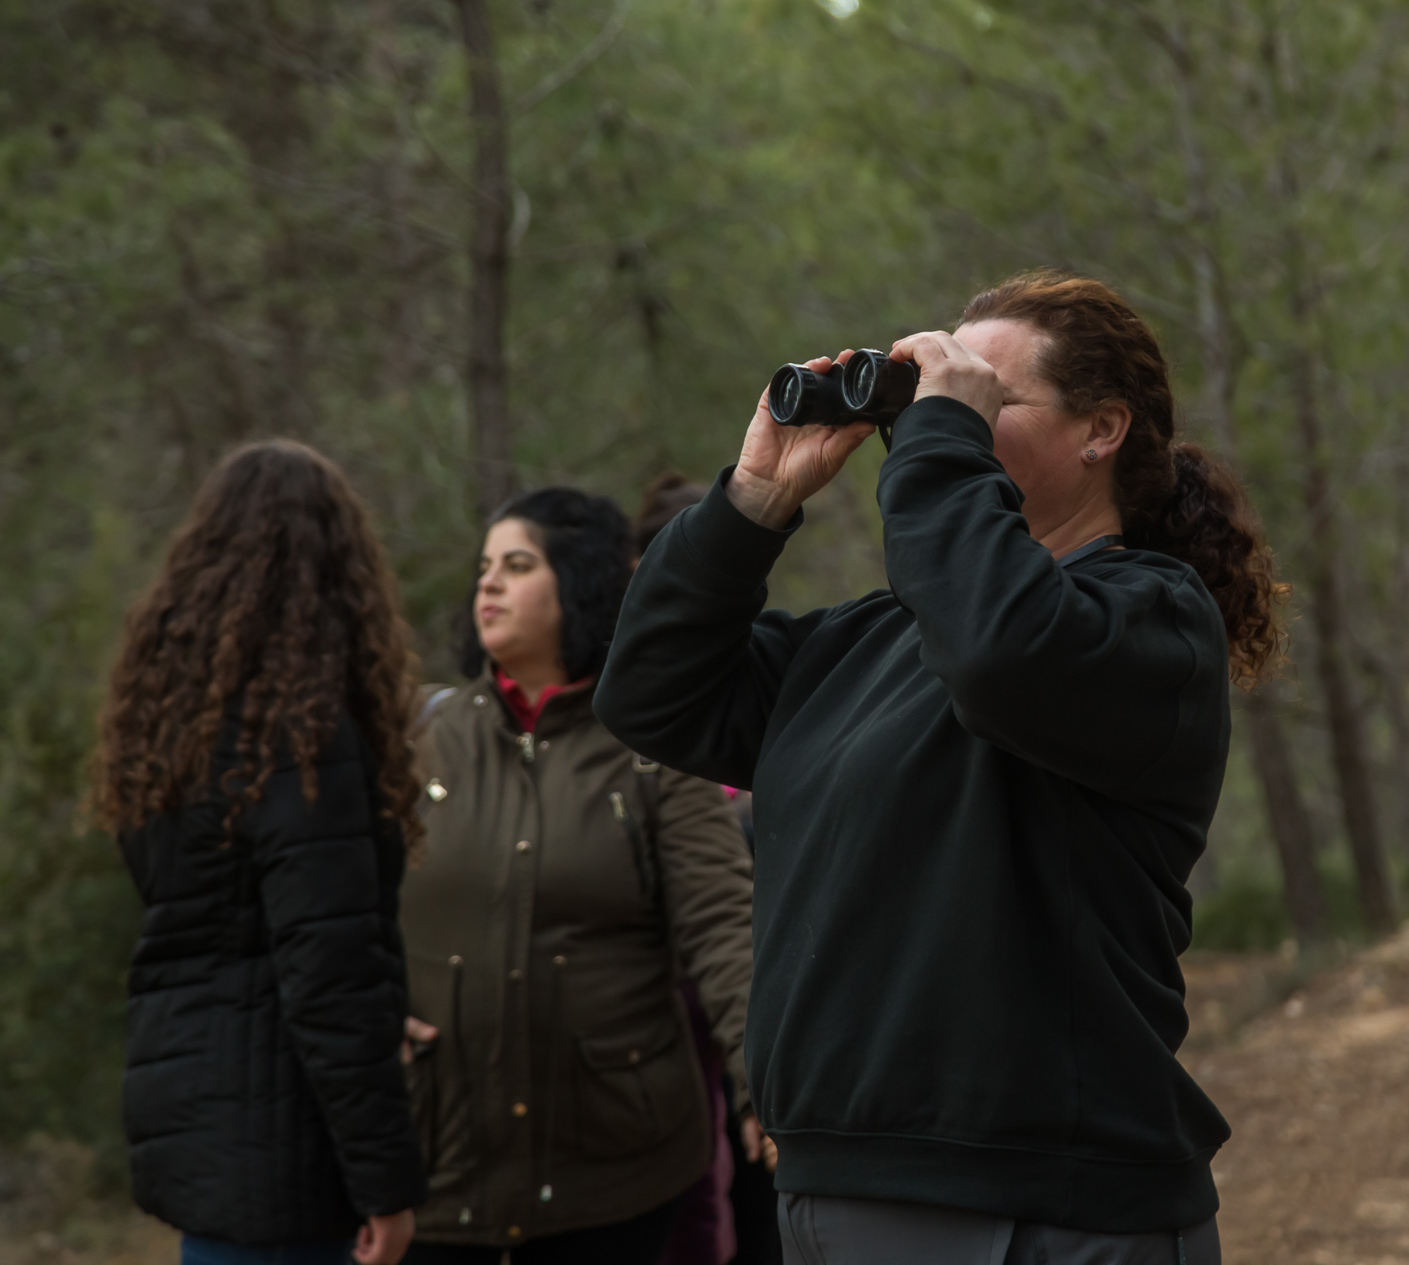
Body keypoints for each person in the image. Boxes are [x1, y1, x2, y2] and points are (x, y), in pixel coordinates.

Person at [595, 270, 1286, 1264]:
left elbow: (1003, 650)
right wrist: (756, 497)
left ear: (1102, 430)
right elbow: (651, 687)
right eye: (931, 399)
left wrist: (936, 450)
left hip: (1052, 1208)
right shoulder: (864, 646)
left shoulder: (1153, 620)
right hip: (845, 1191)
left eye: (981, 396)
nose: (935, 420)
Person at [398, 486, 760, 1265]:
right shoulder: (418, 739)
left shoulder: (656, 745)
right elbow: (342, 914)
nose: (486, 584)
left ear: (585, 582)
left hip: (617, 1178)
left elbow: (723, 928)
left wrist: (767, 1084)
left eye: (517, 565)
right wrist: (367, 1016)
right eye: (484, 567)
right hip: (435, 1171)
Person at [92, 441, 427, 1265]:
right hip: (287, 1158)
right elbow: (327, 980)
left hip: (203, 1132)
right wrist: (387, 1185)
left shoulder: (174, 734)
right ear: (339, 577)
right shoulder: (303, 745)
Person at [633, 471, 782, 1265]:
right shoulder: (635, 708)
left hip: (747, 1011)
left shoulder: (758, 680)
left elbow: (730, 921)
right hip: (663, 1037)